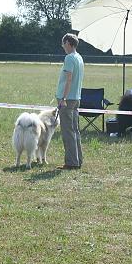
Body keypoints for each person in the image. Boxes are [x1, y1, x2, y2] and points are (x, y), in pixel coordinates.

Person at [56, 33, 84, 170]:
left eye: (63, 43)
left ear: (68, 43)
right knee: (75, 131)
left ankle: (71, 162)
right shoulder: (79, 57)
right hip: (76, 98)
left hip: (68, 99)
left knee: (68, 132)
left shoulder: (69, 58)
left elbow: (69, 79)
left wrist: (63, 98)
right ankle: (78, 160)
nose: (62, 46)